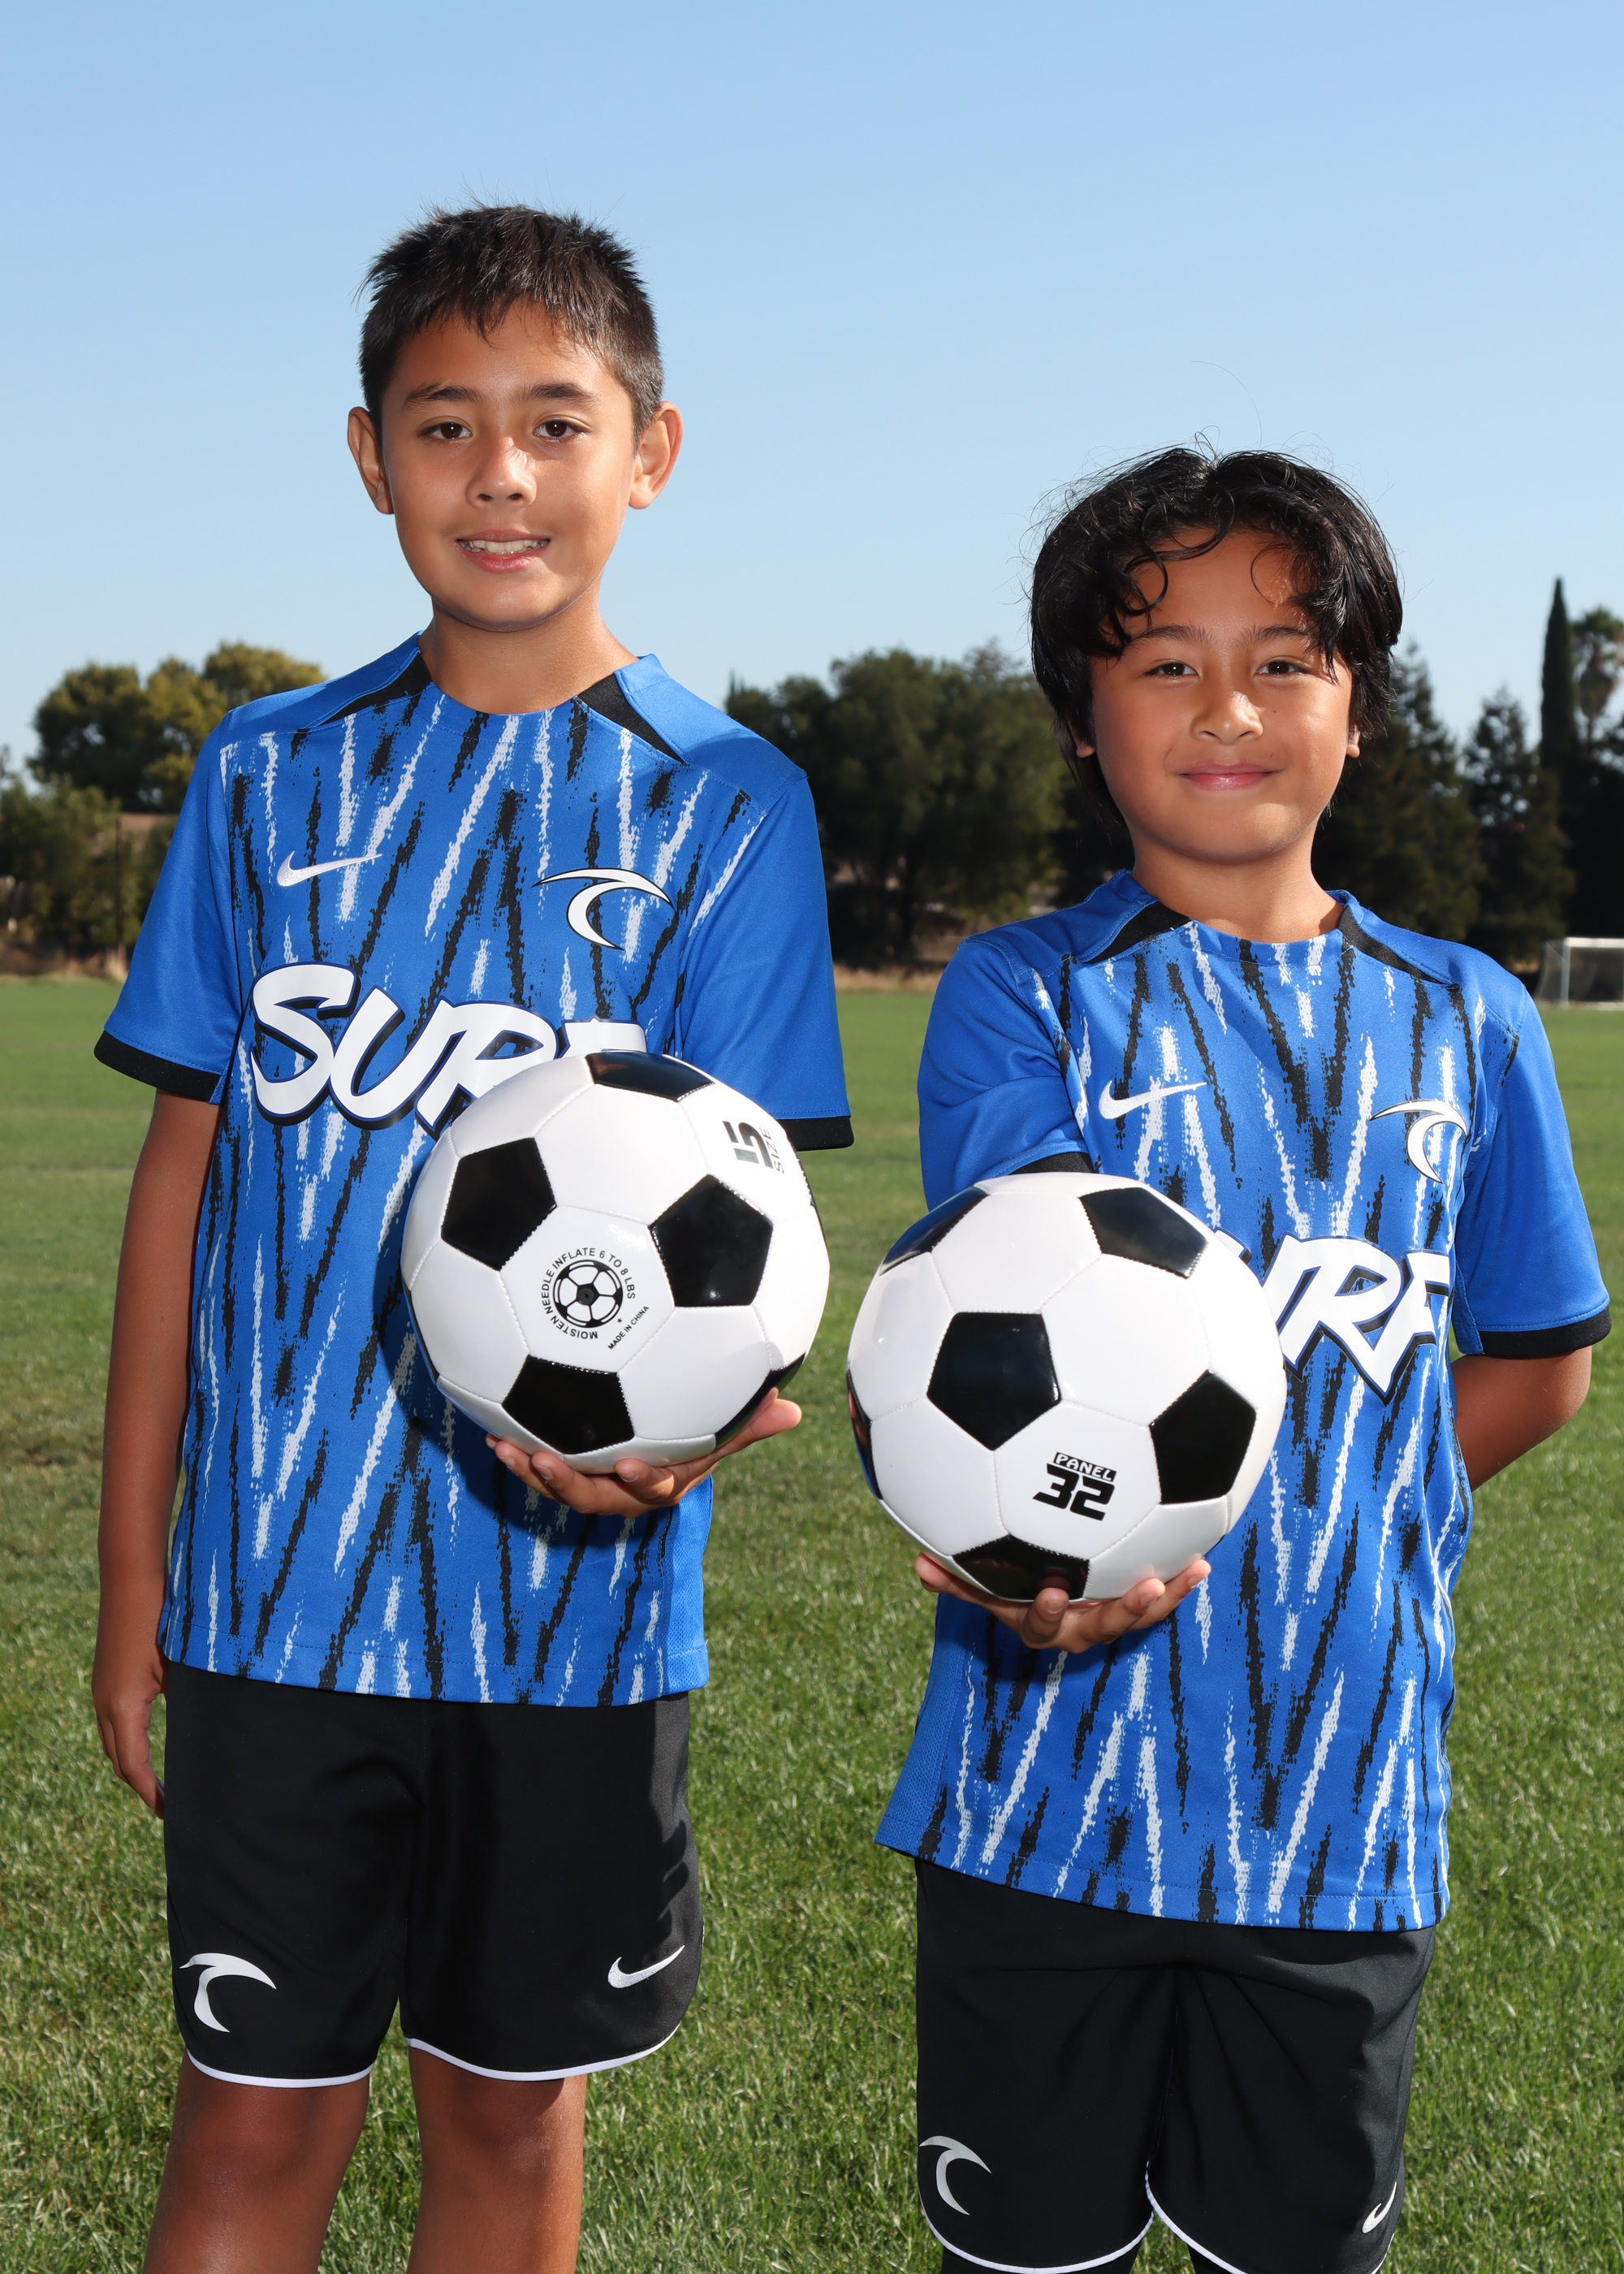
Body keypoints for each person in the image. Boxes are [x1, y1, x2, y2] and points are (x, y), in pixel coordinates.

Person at [90, 204, 850, 2274]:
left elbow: (749, 1239)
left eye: (554, 422)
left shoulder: (727, 802)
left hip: (574, 1628)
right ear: (370, 457)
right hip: (272, 1603)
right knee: (248, 2126)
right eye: (444, 425)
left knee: (511, 2121)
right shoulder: (268, 772)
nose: (499, 474)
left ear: (649, 452)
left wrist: (693, 1435)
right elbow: (180, 1187)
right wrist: (135, 1576)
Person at [876, 447, 1609, 2274]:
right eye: (1164, 663)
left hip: (1342, 1808)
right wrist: (1065, 1544)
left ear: (1359, 708)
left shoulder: (1471, 1019)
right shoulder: (1027, 993)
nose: (1229, 707)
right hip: (1041, 1802)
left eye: (1285, 660)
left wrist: (1340, 1502)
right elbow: (1024, 1333)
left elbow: (1537, 1363)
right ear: (1082, 719)